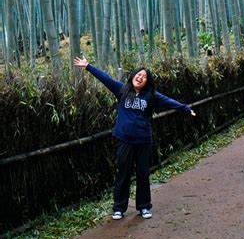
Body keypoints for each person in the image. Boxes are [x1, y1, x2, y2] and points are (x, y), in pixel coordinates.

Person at [73, 56, 196, 221]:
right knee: (123, 173)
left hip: (143, 140)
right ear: (133, 76)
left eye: (144, 77)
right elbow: (106, 79)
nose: (140, 78)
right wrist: (88, 66)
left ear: (147, 81)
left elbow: (169, 101)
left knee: (143, 174)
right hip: (124, 139)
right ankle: (119, 208)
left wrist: (186, 109)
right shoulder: (122, 90)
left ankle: (144, 207)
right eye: (138, 75)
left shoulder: (151, 95)